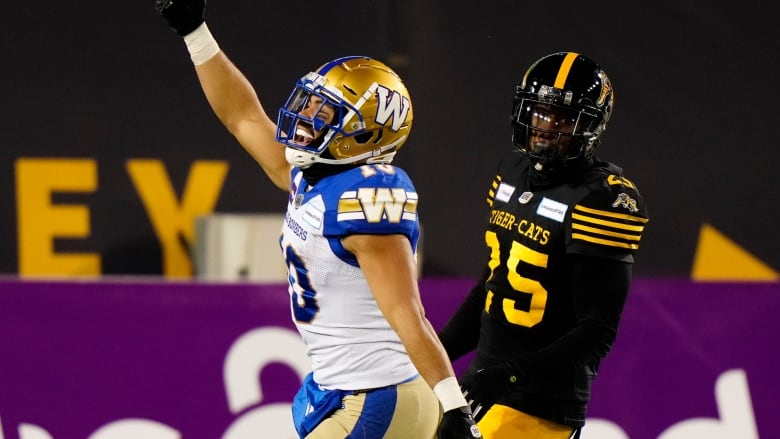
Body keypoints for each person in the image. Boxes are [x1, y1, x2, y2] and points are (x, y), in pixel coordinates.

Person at [154, 1, 481, 438]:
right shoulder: (313, 178)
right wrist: (194, 31)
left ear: (365, 135)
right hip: (351, 392)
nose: (306, 121)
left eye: (325, 115)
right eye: (311, 106)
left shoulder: (365, 195)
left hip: (378, 395)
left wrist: (454, 406)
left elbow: (409, 314)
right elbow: (242, 116)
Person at [437, 52, 649, 439]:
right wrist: (434, 358)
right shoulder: (511, 171)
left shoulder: (602, 198)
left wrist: (510, 375)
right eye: (539, 112)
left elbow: (596, 331)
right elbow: (490, 289)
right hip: (484, 385)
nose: (547, 126)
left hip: (539, 404)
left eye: (564, 118)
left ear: (591, 125)